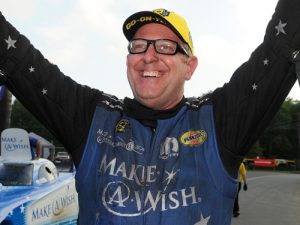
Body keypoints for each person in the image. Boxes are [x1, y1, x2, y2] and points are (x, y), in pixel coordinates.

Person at [0, 0, 299, 224]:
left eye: (167, 47)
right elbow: (17, 58)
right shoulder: (92, 118)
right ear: (128, 59)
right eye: (139, 45)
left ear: (190, 66)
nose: (149, 56)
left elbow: (283, 43)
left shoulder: (219, 121)